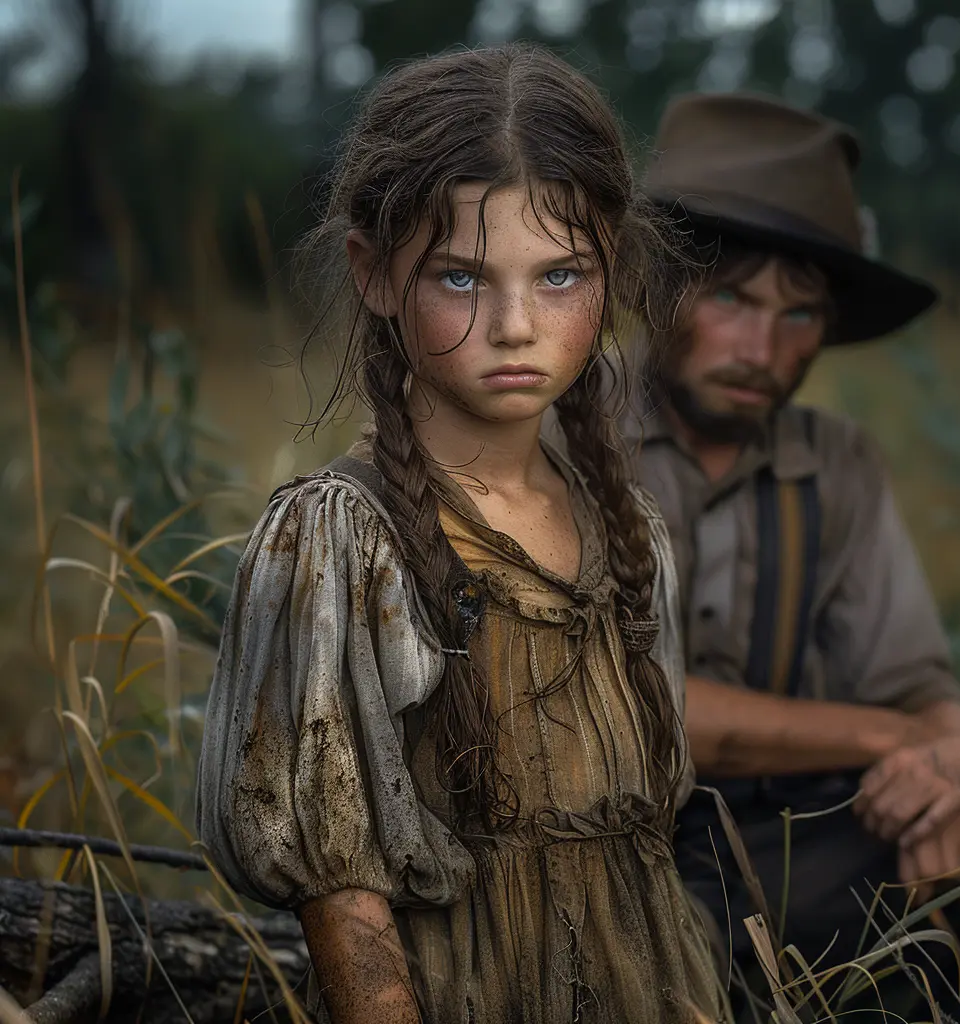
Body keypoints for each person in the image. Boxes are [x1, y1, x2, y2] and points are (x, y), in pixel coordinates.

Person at [196, 45, 725, 1024]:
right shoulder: (337, 539)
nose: (516, 324)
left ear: (612, 264)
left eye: (561, 275)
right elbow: (338, 887)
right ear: (376, 274)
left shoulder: (628, 531)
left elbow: (647, 858)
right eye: (462, 277)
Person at [631, 92, 960, 1019]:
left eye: (800, 315)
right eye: (730, 297)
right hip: (612, 850)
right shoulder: (560, 433)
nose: (762, 348)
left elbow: (926, 687)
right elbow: (642, 713)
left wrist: (948, 781)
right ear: (652, 283)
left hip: (795, 837)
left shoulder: (836, 462)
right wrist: (895, 740)